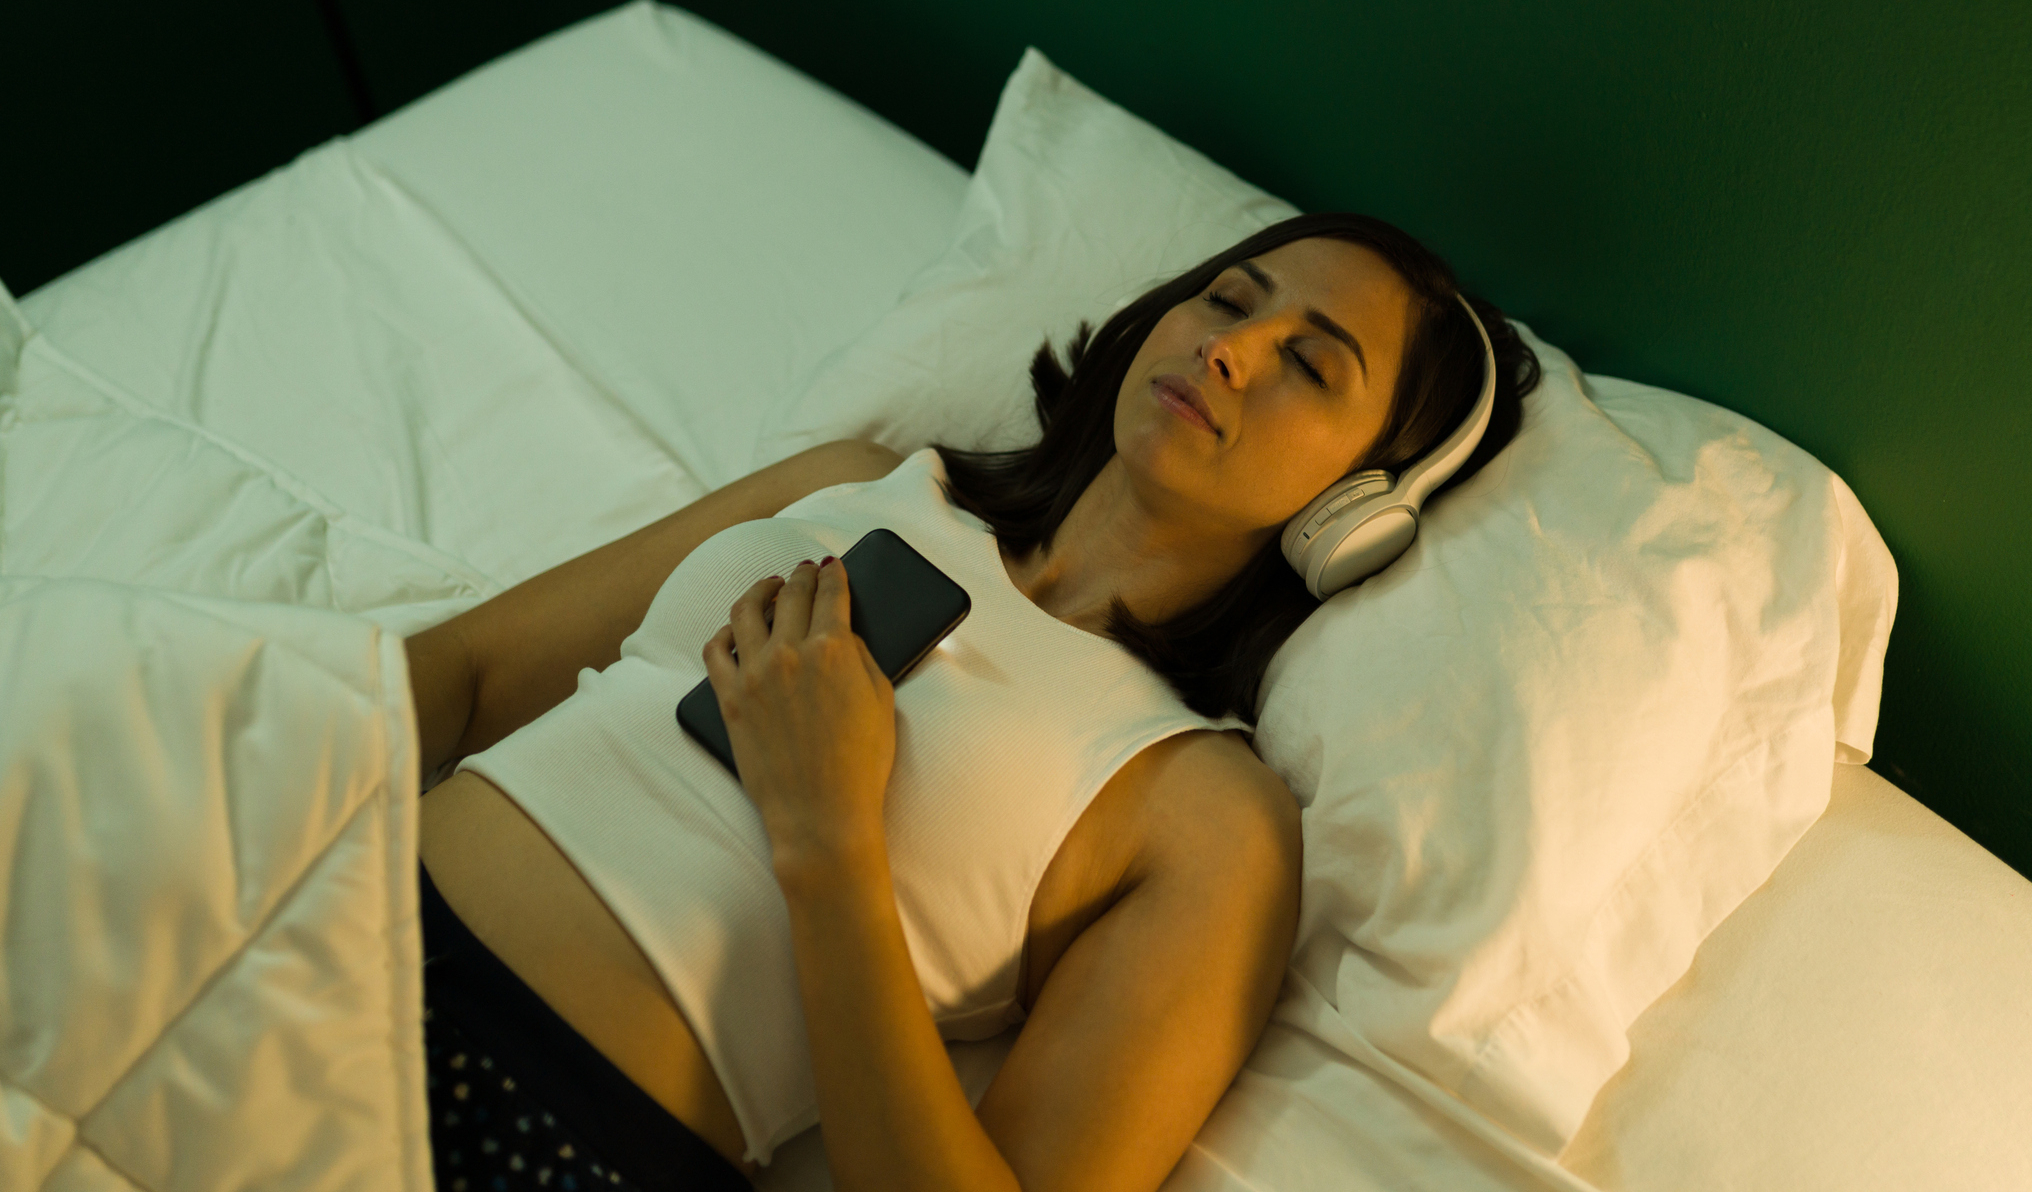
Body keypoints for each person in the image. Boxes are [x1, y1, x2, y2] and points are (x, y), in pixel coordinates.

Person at [406, 212, 1539, 1191]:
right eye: (1226, 300)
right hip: (346, 889)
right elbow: (470, 671)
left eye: (1310, 363)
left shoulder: (1209, 819)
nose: (1229, 347)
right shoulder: (854, 482)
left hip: (523, 1116)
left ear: (1361, 505)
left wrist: (828, 836)